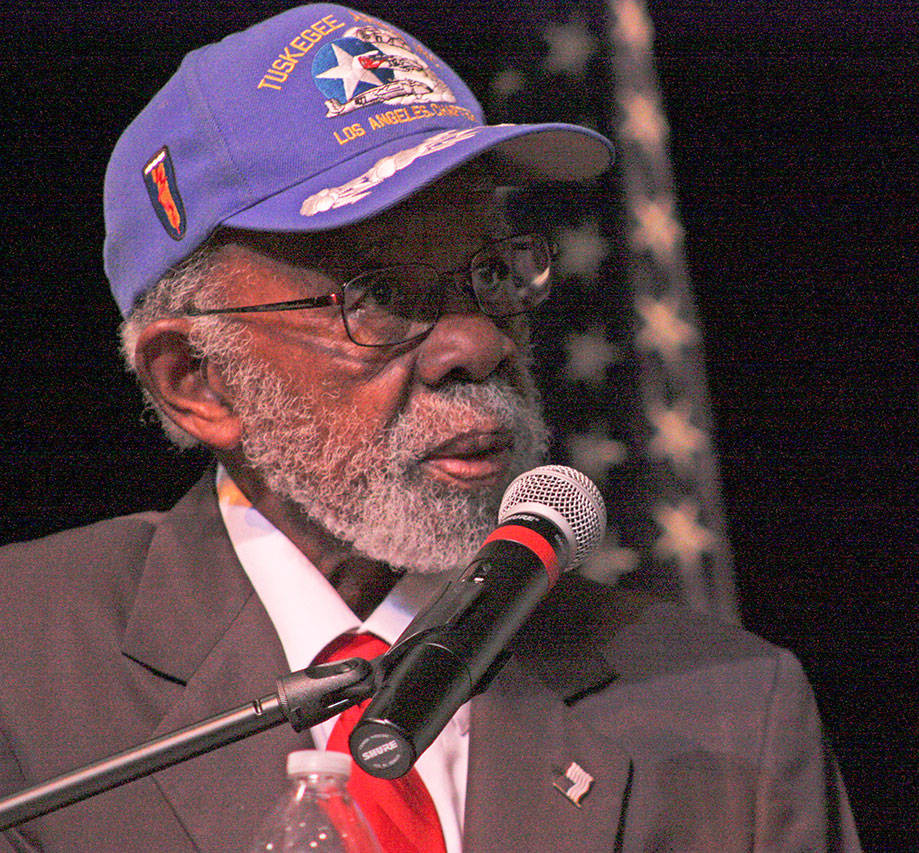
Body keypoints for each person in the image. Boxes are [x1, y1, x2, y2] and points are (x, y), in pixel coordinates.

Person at [0, 4, 859, 851]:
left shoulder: (731, 712)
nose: (478, 343)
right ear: (197, 381)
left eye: (490, 274)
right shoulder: (22, 670)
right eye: (375, 296)